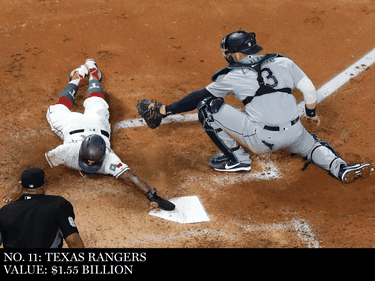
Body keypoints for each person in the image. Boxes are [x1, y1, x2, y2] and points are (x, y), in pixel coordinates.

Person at [139, 30, 373, 183]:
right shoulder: (284, 61)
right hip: (295, 131)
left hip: (262, 140)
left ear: (238, 53)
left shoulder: (230, 75)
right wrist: (310, 112)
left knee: (208, 107)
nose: (227, 56)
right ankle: (339, 168)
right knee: (312, 146)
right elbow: (309, 89)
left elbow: (197, 97)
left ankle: (237, 160)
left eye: (229, 53)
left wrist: (164, 110)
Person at [3, 59, 175, 211]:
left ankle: (83, 75)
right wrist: (151, 196)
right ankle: (87, 74)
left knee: (81, 105)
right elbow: (131, 178)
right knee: (83, 105)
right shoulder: (71, 150)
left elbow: (130, 178)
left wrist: (153, 197)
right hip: (78, 124)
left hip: (93, 124)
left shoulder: (105, 157)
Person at [0, 168, 84, 248]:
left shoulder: (4, 211)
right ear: (44, 185)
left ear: (21, 186)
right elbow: (74, 243)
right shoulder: (59, 204)